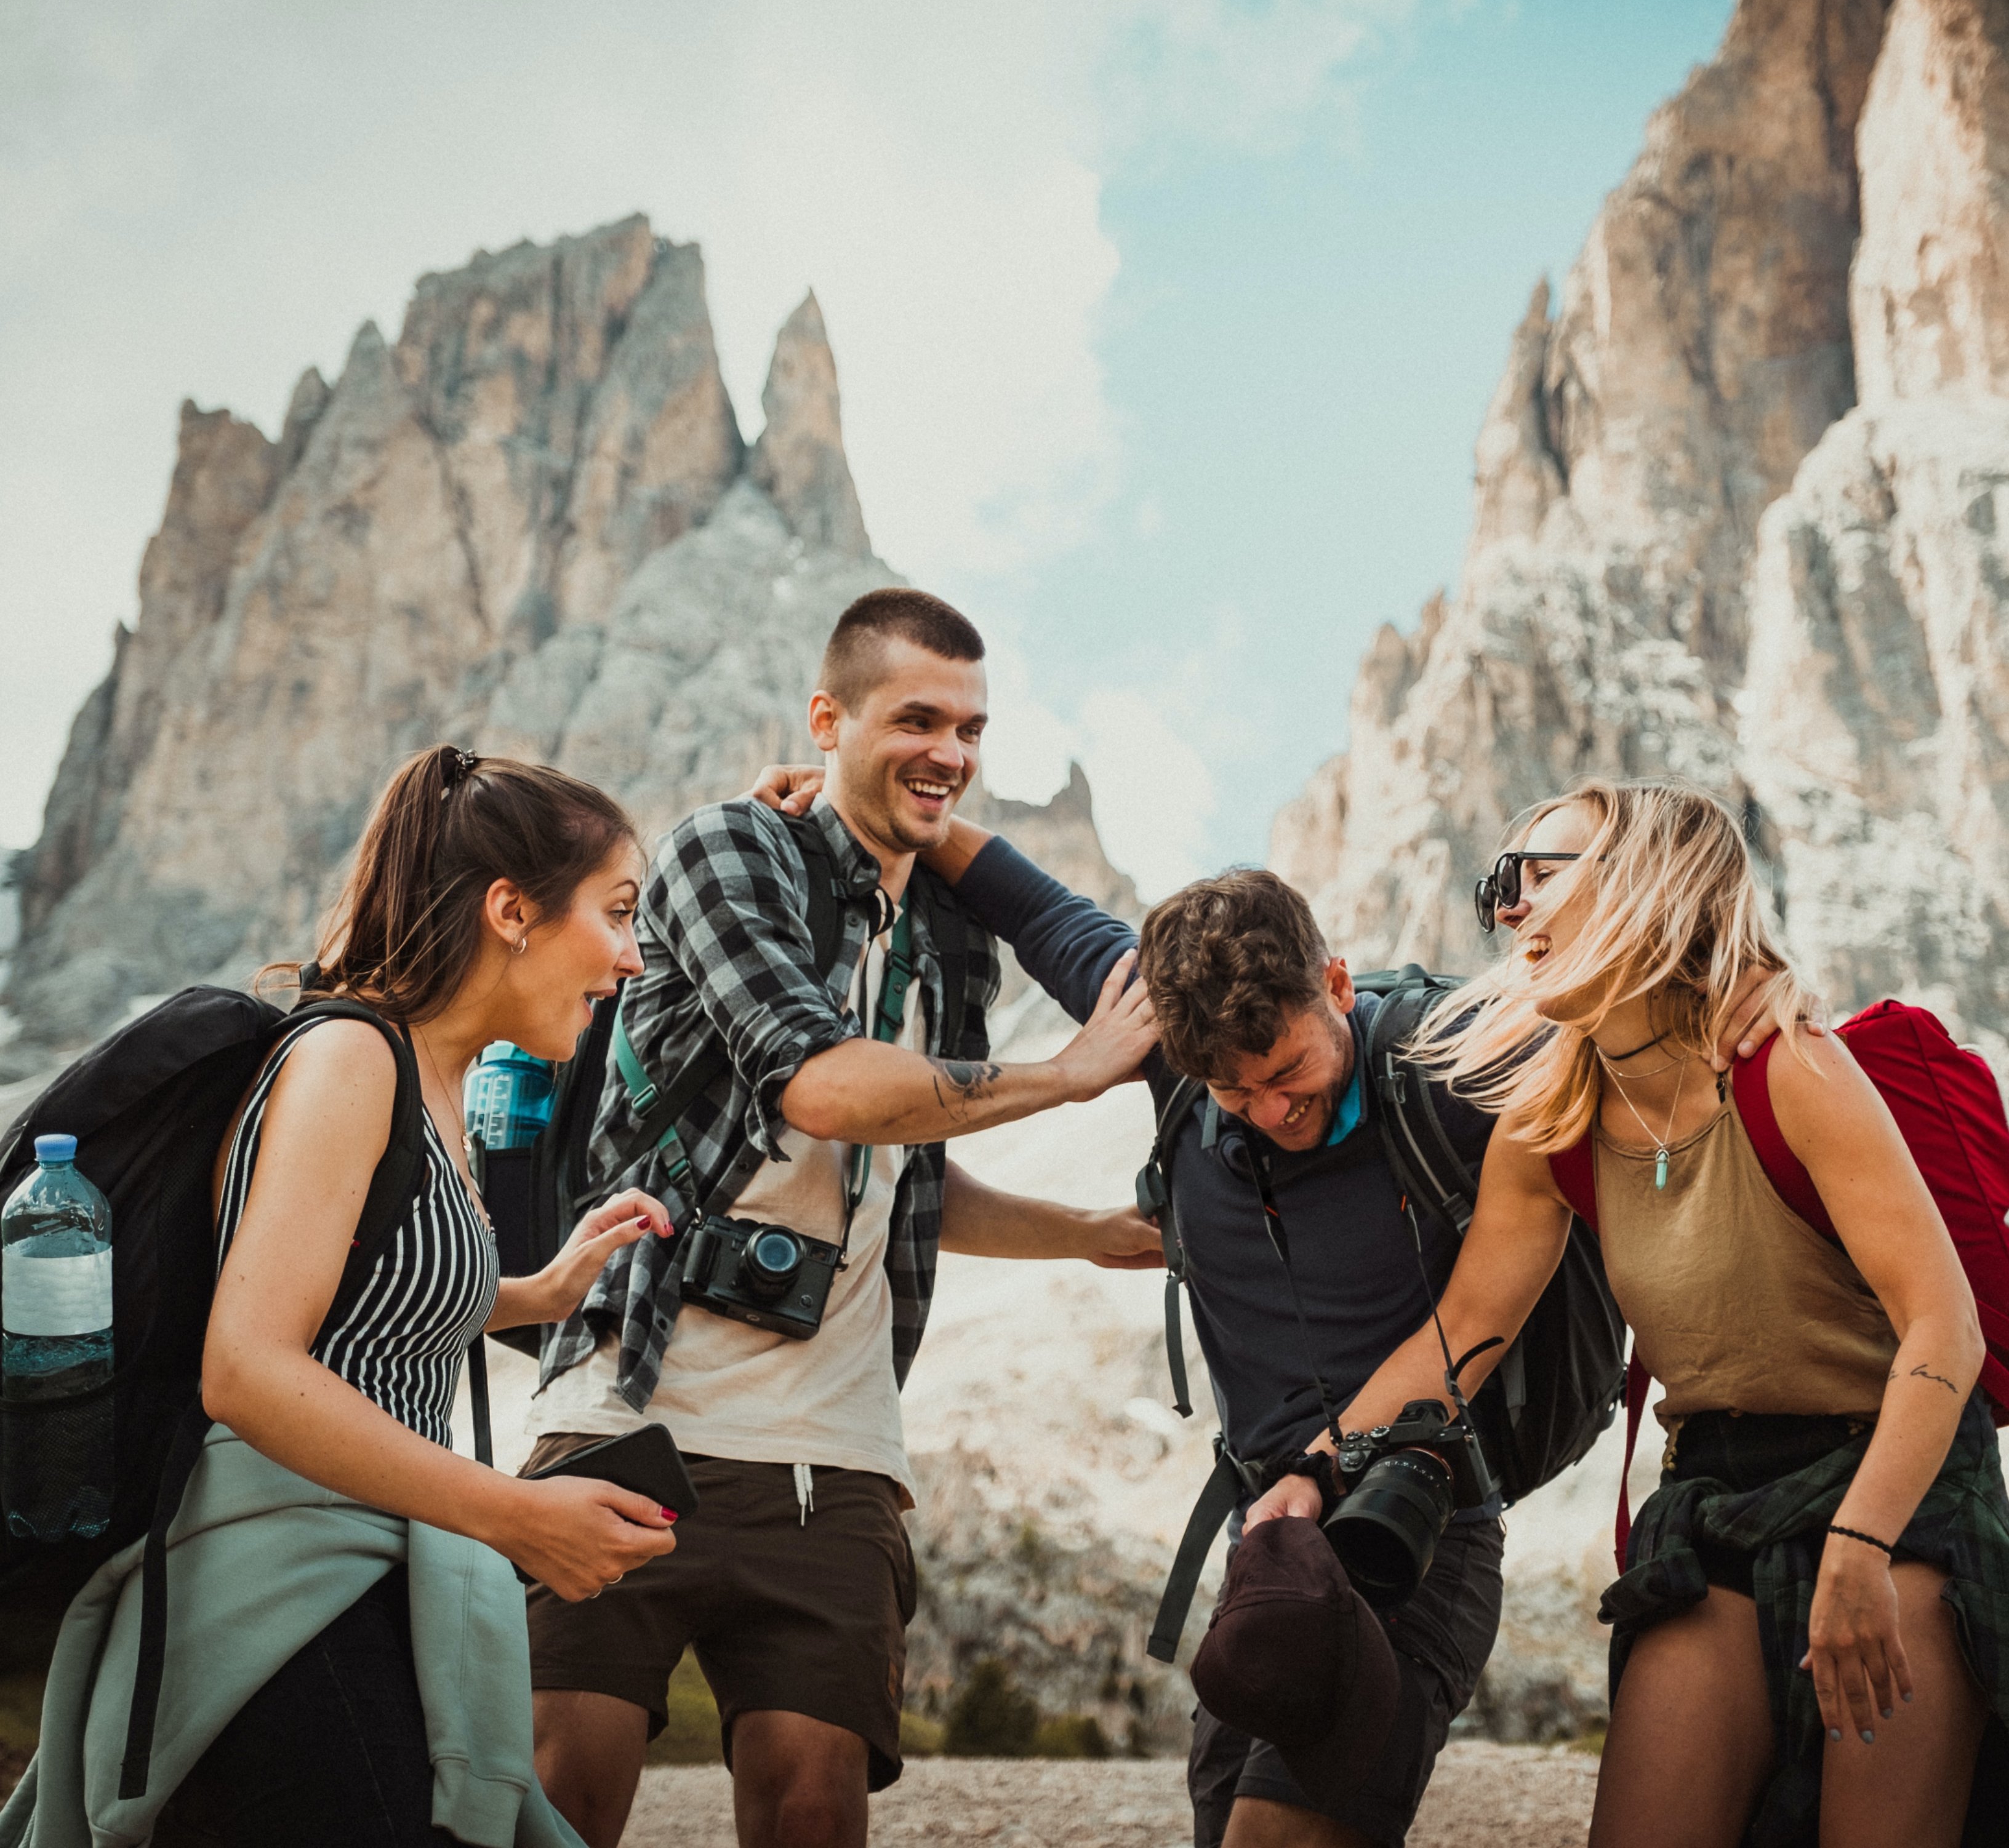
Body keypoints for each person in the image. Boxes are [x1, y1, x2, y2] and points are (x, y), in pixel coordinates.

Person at [744, 769, 1792, 1848]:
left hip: (1416, 1528)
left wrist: (1750, 986)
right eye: (1236, 1092)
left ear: (1337, 983)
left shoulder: (1451, 1063)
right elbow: (1025, 900)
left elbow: (1639, 1011)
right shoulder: (1176, 1053)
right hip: (1275, 1546)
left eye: (1289, 1070)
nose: (1273, 1109)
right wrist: (857, 796)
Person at [523, 589, 1163, 1848]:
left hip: (838, 1450)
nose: (953, 751)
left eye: (973, 728)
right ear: (828, 718)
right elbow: (820, 1085)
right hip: (632, 1406)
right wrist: (1068, 1076)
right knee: (558, 1798)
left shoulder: (951, 940)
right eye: (916, 718)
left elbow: (910, 1173)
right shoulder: (725, 854)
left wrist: (1087, 1232)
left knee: (815, 1811)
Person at [1272, 779, 2009, 1848]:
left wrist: (1863, 1540)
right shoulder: (1553, 1120)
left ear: (1646, 883)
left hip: (1895, 1490)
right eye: (1499, 886)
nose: (1507, 909)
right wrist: (1313, 1467)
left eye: (1536, 876)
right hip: (1713, 1495)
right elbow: (1465, 1329)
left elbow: (1947, 1326)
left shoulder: (1788, 1066)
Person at [9, 745, 688, 1848]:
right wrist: (518, 1517)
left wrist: (540, 1289)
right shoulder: (349, 1057)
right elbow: (249, 1367)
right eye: (615, 914)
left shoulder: (431, 1079)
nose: (631, 956)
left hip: (368, 1571)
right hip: (281, 1599)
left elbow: (359, 1306)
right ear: (512, 910)